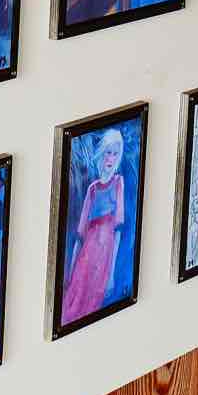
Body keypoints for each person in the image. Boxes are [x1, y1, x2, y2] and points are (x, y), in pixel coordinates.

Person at [60, 126, 129, 324]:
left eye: (116, 154)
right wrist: (72, 271)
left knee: (93, 307)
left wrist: (112, 273)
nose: (111, 158)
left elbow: (117, 229)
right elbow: (80, 234)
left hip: (104, 257)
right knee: (73, 304)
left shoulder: (118, 183)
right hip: (86, 257)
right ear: (102, 154)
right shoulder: (92, 189)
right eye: (108, 152)